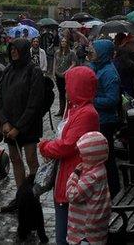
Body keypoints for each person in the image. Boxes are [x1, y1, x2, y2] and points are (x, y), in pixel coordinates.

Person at [39, 66, 100, 245]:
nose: (65, 89)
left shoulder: (86, 113)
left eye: (68, 85)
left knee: (65, 236)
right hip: (68, 175)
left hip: (73, 179)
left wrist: (44, 146)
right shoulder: (77, 108)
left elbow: (67, 145)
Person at [0, 37, 45, 213]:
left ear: (23, 50)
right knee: (16, 160)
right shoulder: (8, 70)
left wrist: (19, 127)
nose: (13, 52)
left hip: (28, 125)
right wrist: (5, 122)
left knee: (31, 160)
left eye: (16, 49)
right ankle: (20, 197)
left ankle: (32, 195)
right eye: (11, 49)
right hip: (10, 125)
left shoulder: (34, 71)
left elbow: (34, 102)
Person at [87, 39, 121, 198]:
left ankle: (113, 189)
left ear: (102, 53)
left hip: (105, 121)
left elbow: (112, 100)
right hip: (98, 118)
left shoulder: (109, 73)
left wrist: (92, 100)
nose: (91, 52)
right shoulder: (98, 66)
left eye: (94, 50)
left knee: (107, 158)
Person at [65, 131, 111, 245]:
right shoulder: (100, 168)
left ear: (92, 156)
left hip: (85, 232)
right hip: (96, 228)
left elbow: (72, 195)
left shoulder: (92, 177)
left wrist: (74, 175)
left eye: (83, 154)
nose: (80, 156)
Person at [53, 37, 77, 117]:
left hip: (67, 75)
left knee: (68, 93)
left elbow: (73, 63)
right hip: (58, 75)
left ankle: (69, 110)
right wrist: (54, 72)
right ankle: (61, 109)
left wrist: (68, 70)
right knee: (61, 93)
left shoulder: (71, 53)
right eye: (62, 41)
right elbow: (55, 62)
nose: (63, 43)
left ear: (67, 43)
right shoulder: (57, 52)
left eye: (65, 42)